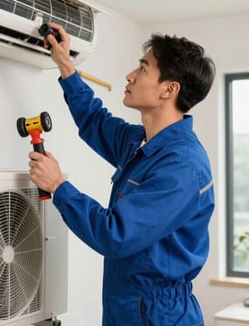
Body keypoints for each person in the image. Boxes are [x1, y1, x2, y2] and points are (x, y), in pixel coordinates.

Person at [28, 23, 216, 326]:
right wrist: (65, 63)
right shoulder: (144, 143)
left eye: (143, 69)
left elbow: (114, 235)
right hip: (127, 306)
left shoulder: (181, 166)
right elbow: (94, 120)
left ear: (169, 89)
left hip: (158, 316)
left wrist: (58, 185)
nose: (130, 76)